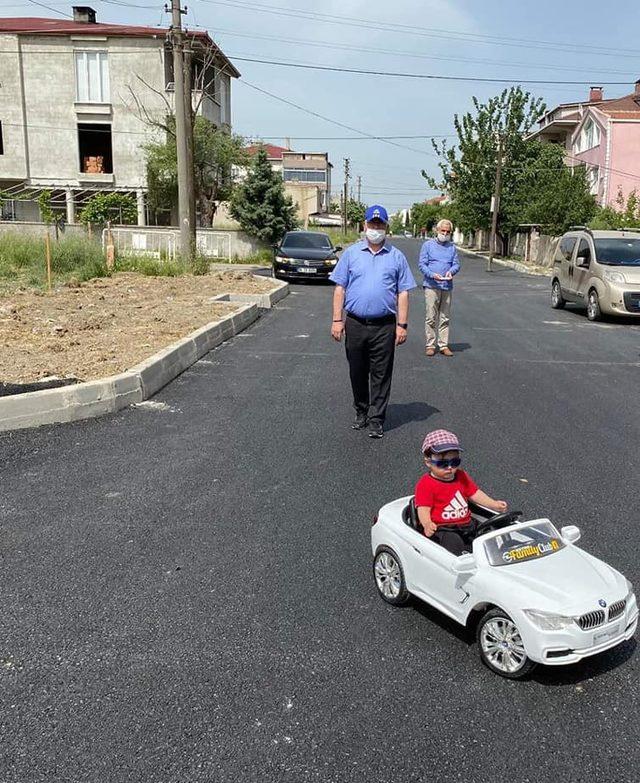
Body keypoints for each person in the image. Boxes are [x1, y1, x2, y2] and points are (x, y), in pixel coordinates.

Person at [330, 204, 416, 439]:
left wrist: (402, 325)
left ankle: (377, 419)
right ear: (365, 225)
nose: (375, 228)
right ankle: (361, 411)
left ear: (386, 227)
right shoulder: (351, 254)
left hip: (385, 325)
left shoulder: (396, 256)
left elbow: (403, 293)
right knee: (357, 371)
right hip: (355, 323)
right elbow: (340, 288)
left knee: (381, 372)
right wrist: (337, 320)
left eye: (380, 224)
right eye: (372, 224)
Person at [414, 429, 508, 556]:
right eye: (442, 463)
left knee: (487, 537)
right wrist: (427, 524)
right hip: (442, 528)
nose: (450, 468)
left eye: (454, 462)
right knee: (453, 543)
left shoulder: (461, 476)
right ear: (428, 461)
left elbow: (475, 493)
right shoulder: (426, 484)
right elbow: (423, 509)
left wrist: (494, 504)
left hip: (466, 525)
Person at [418, 219, 459, 357]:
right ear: (437, 230)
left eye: (448, 232)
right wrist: (432, 275)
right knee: (431, 316)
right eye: (443, 231)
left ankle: (443, 345)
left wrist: (451, 272)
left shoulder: (452, 247)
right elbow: (422, 265)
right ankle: (430, 344)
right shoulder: (427, 246)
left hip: (446, 286)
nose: (445, 233)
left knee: (445, 317)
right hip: (431, 285)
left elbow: (456, 265)